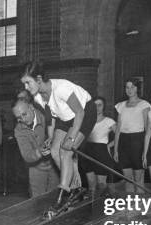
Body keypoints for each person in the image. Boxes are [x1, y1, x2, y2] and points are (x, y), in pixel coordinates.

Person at [21, 62, 96, 213]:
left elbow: (80, 113)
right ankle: (76, 188)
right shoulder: (37, 97)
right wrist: (52, 136)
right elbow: (52, 117)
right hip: (65, 118)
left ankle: (63, 194)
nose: (26, 88)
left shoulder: (61, 88)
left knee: (65, 152)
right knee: (55, 151)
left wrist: (72, 137)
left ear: (39, 79)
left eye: (28, 83)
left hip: (84, 113)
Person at [13, 99, 60, 197]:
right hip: (36, 167)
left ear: (31, 107)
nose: (23, 120)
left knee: (55, 198)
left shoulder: (47, 117)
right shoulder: (19, 129)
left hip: (56, 163)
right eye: (19, 117)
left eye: (24, 114)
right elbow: (27, 155)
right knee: (37, 201)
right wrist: (39, 152)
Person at [114, 78, 151, 192]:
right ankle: (130, 208)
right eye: (127, 87)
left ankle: (140, 207)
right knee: (127, 178)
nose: (129, 90)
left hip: (138, 141)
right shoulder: (120, 105)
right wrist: (115, 149)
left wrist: (145, 151)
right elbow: (118, 129)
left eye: (132, 87)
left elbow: (147, 129)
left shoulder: (144, 105)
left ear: (137, 89)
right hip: (123, 142)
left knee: (138, 178)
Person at [79, 96, 116, 194]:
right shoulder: (86, 121)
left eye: (100, 105)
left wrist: (109, 146)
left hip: (101, 153)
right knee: (91, 185)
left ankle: (103, 207)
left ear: (104, 107)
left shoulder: (109, 121)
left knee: (101, 184)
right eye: (95, 105)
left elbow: (119, 137)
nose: (97, 108)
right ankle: (92, 207)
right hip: (87, 152)